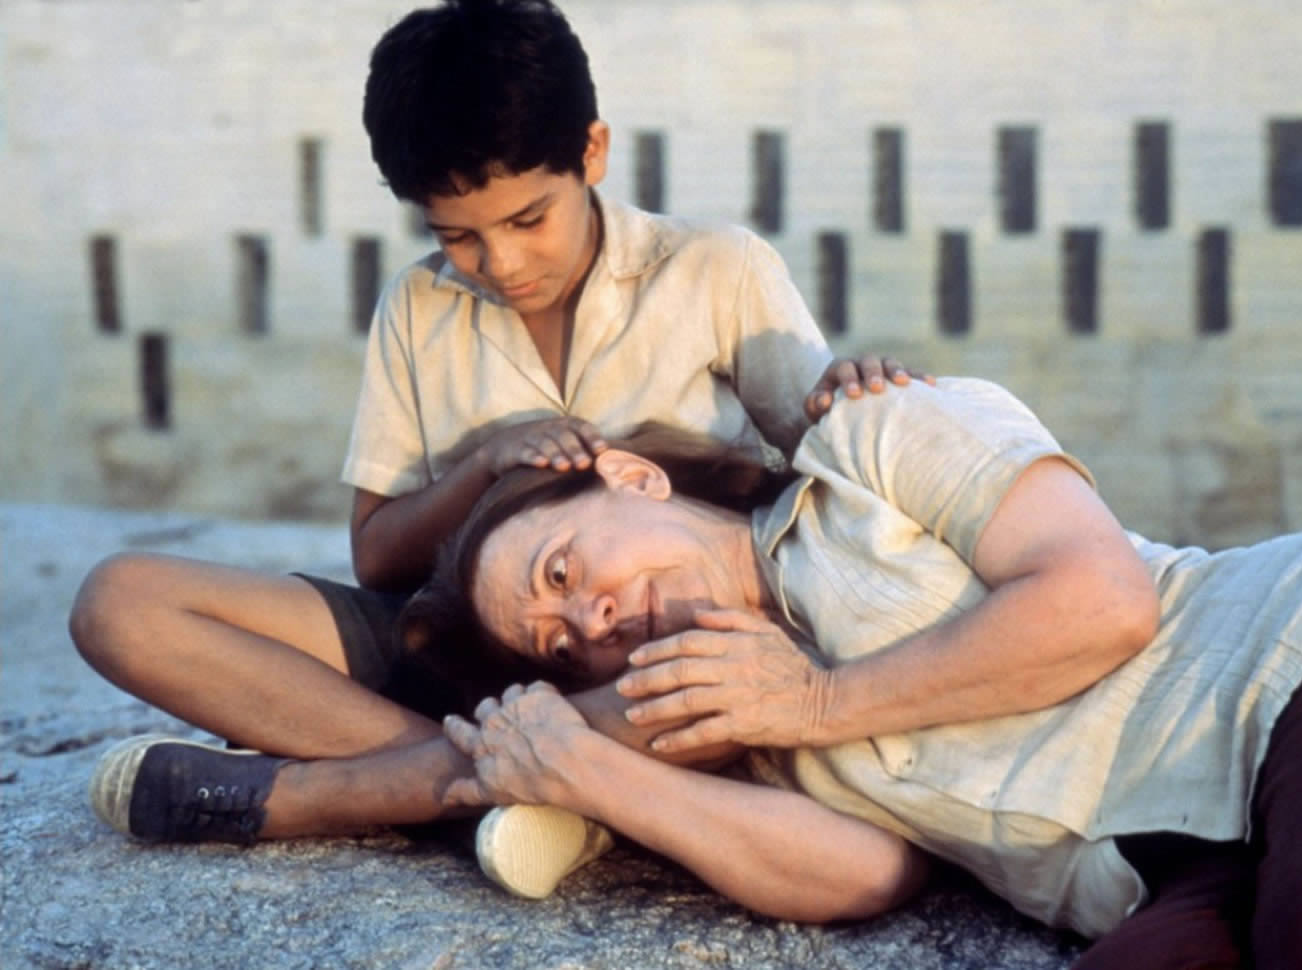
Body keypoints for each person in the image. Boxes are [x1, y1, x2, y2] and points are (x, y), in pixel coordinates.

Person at [74, 0, 919, 851]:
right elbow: (377, 555)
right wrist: (481, 466)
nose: (502, 264)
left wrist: (856, 391)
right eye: (459, 236)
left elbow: (822, 474)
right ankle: (497, 790)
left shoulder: (715, 269)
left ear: (591, 151)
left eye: (527, 221)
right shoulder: (419, 304)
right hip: (463, 649)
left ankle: (361, 790)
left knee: (708, 681)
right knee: (120, 603)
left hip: (639, 672)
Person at [424, 377, 1302, 968]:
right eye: (563, 643)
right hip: (1180, 865)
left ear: (633, 477)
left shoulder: (868, 444)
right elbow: (866, 874)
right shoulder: (724, 709)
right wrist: (601, 776)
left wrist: (821, 701)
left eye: (564, 567)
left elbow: (1102, 598)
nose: (592, 618)